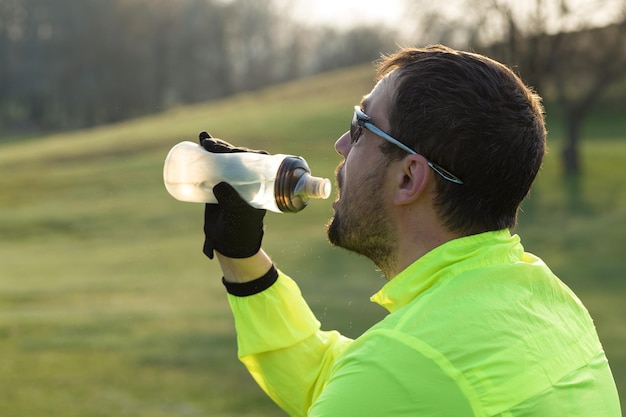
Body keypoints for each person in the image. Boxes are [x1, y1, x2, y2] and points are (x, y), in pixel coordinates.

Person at [197, 45, 621, 416]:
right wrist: (242, 258)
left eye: (360, 125)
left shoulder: (404, 367)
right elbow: (345, 382)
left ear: (408, 178)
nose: (341, 146)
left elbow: (373, 386)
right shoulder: (548, 300)